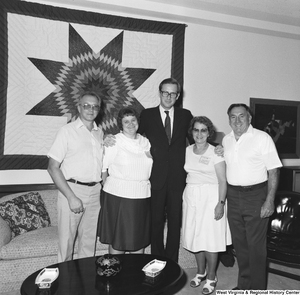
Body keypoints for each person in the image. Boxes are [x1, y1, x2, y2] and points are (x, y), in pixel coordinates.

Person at [222, 103, 282, 290]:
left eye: (242, 116)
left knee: (256, 247)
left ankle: (257, 290)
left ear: (249, 117)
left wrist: (269, 200)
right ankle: (244, 286)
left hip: (256, 195)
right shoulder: (227, 140)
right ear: (229, 119)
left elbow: (274, 170)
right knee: (240, 245)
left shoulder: (262, 138)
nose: (237, 120)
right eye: (233, 116)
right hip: (233, 196)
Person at [138, 78, 193, 262]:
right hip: (155, 177)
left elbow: (197, 140)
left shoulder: (186, 115)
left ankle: (172, 264)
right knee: (156, 222)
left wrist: (217, 148)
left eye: (173, 93)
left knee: (175, 222)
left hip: (178, 178)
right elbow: (133, 136)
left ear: (177, 96)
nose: (168, 97)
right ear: (159, 93)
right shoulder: (147, 115)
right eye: (165, 92)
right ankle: (156, 262)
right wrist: (111, 140)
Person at [47, 91, 104, 262]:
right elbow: (52, 167)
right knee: (67, 244)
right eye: (86, 105)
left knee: (88, 243)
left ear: (99, 110)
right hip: (72, 190)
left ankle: (85, 285)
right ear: (79, 107)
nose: (90, 109)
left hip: (95, 192)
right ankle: (64, 286)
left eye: (95, 106)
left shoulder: (99, 133)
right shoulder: (67, 131)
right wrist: (71, 197)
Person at [182, 116, 231, 295]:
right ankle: (200, 272)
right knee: (196, 236)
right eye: (196, 130)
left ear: (209, 133)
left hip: (211, 197)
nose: (200, 134)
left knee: (211, 239)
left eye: (203, 130)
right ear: (192, 132)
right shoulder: (186, 150)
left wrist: (220, 203)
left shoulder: (215, 152)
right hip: (191, 197)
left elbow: (223, 181)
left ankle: (211, 276)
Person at [98, 107, 153, 254]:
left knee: (138, 239)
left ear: (138, 122)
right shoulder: (115, 141)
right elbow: (103, 169)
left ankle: (134, 276)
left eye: (133, 120)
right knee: (118, 241)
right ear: (120, 125)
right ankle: (116, 274)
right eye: (126, 121)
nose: (130, 124)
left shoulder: (145, 142)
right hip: (118, 197)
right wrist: (107, 195)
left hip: (142, 196)